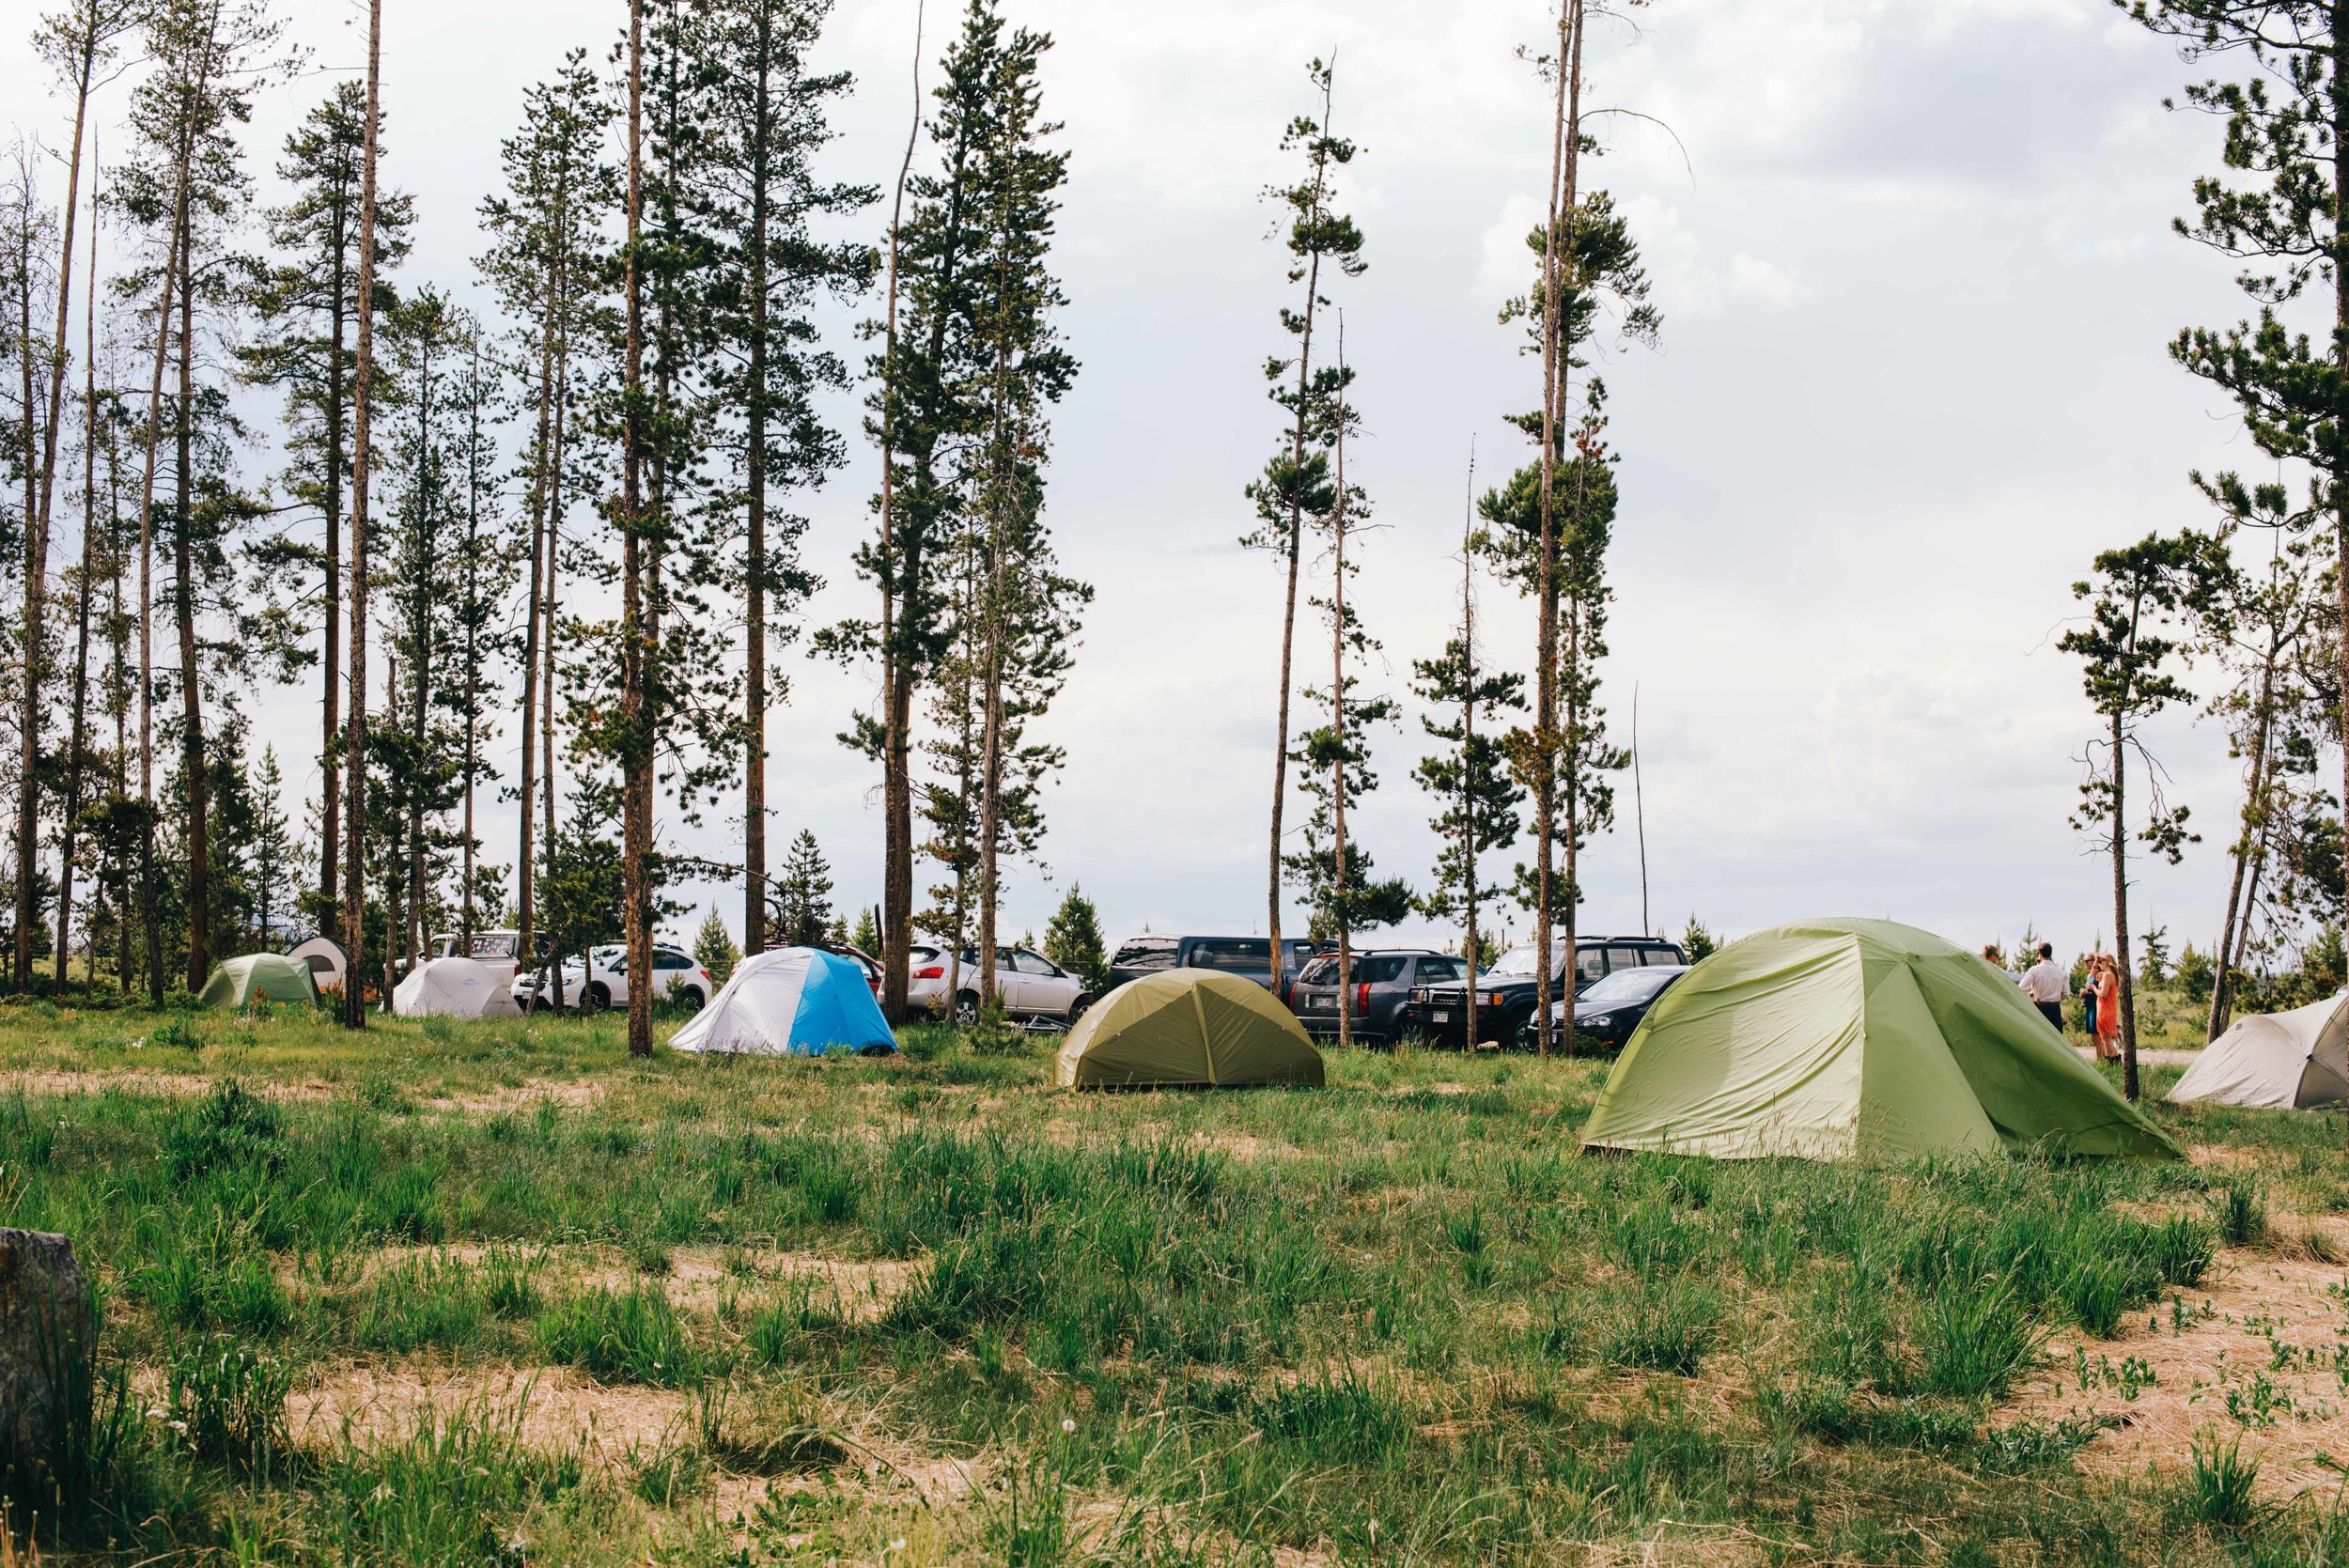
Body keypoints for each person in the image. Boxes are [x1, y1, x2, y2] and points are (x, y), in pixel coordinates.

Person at [2019, 941, 2068, 1035]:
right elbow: (2066, 994)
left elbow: (2021, 988)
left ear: (2039, 953)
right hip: (2055, 1009)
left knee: (2039, 1037)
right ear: (2051, 953)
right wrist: (2056, 997)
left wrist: (2032, 1000)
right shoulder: (2062, 973)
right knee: (2056, 1039)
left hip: (2040, 1007)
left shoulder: (2034, 970)